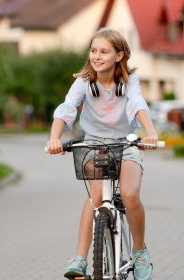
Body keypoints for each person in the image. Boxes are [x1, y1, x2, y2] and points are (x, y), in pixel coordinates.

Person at [46, 28, 158, 280]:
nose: (97, 56)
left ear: (119, 56)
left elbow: (138, 103)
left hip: (127, 143)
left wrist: (149, 132)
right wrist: (55, 137)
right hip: (93, 144)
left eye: (104, 52)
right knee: (95, 196)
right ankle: (80, 259)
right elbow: (67, 108)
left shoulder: (129, 80)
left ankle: (140, 252)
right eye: (93, 50)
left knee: (129, 194)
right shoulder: (84, 81)